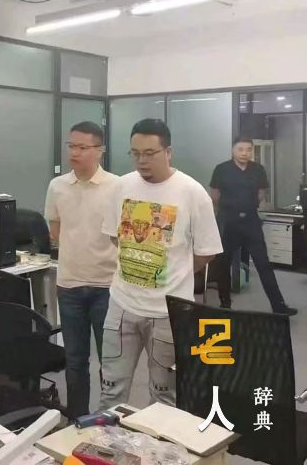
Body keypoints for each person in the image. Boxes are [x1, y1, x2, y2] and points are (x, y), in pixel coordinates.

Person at [99, 119, 223, 409]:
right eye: (135, 153)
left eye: (150, 153)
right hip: (121, 306)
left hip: (168, 312)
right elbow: (116, 237)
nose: (142, 161)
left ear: (168, 152)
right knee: (111, 391)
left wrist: (172, 273)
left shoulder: (192, 193)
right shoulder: (121, 186)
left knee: (164, 397)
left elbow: (207, 252)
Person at [44, 121, 118, 419]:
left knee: (110, 362)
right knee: (75, 360)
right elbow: (55, 229)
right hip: (69, 284)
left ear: (100, 150)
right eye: (71, 146)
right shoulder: (57, 186)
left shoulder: (117, 187)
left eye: (82, 147)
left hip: (107, 286)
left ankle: (108, 420)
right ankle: (77, 418)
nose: (74, 152)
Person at [210, 137, 297, 316]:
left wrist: (247, 206)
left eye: (249, 150)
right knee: (223, 264)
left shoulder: (258, 169)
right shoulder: (222, 169)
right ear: (233, 150)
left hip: (251, 222)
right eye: (241, 149)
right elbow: (215, 195)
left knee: (263, 264)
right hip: (228, 221)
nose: (245, 153)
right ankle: (225, 304)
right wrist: (229, 210)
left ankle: (279, 305)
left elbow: (261, 194)